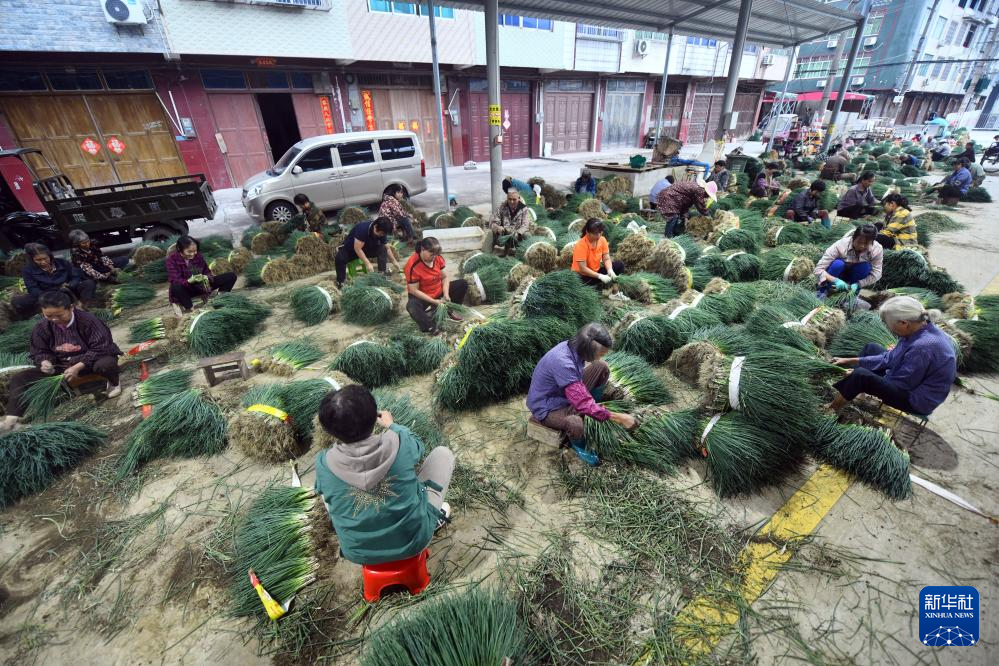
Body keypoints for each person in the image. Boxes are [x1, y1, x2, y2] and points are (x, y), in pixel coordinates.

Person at [314, 384, 454, 565]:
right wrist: (393, 426)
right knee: (443, 454)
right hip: (413, 541)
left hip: (358, 553)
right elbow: (419, 447)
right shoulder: (399, 440)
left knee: (325, 489)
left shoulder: (324, 462)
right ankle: (431, 521)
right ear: (374, 417)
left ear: (329, 431)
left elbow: (325, 492)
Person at [1, 290, 122, 433]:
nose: (54, 319)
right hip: (62, 366)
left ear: (71, 308)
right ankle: (12, 419)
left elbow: (102, 347)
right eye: (49, 316)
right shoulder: (42, 327)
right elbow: (38, 351)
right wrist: (45, 361)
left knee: (106, 365)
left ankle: (114, 384)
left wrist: (78, 366)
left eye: (59, 315)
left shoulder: (88, 321)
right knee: (20, 378)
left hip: (91, 362)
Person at [527, 322, 637, 466]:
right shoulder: (562, 362)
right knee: (575, 423)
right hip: (547, 406)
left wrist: (591, 406)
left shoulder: (573, 347)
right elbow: (581, 402)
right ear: (588, 350)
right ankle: (579, 446)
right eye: (601, 353)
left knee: (601, 367)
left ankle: (593, 408)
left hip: (563, 393)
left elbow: (578, 393)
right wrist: (619, 418)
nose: (602, 356)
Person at [827, 296, 956, 415]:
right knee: (871, 348)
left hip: (915, 398)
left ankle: (831, 410)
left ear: (904, 323)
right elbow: (889, 358)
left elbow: (902, 383)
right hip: (909, 379)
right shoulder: (919, 328)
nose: (888, 328)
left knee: (860, 376)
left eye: (887, 323)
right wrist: (849, 360)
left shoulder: (922, 347)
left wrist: (861, 376)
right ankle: (854, 391)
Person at [12, 243, 96, 317]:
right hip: (48, 295)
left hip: (69, 291)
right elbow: (32, 289)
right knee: (20, 302)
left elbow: (76, 276)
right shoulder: (28, 270)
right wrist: (52, 293)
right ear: (32, 260)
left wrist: (71, 284)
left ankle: (83, 305)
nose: (43, 262)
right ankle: (47, 310)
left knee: (89, 283)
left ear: (50, 256)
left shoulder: (62, 262)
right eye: (38, 260)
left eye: (45, 258)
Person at [404, 237, 467, 334]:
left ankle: (448, 311)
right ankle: (431, 327)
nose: (434, 257)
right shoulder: (412, 265)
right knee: (412, 306)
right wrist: (434, 301)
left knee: (462, 284)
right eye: (431, 254)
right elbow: (414, 290)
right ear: (422, 249)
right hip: (423, 296)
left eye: (436, 255)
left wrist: (446, 294)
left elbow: (445, 277)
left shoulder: (438, 258)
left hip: (438, 291)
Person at [165, 235, 237, 314]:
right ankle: (191, 309)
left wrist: (206, 277)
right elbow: (175, 279)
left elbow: (207, 271)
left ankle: (220, 299)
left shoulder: (198, 256)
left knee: (231, 276)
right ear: (179, 249)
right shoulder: (172, 260)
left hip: (202, 286)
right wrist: (189, 281)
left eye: (195, 251)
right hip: (186, 290)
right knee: (176, 286)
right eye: (189, 251)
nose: (193, 254)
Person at [815, 223, 883, 297]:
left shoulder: (877, 249)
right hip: (837, 275)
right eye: (859, 242)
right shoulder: (841, 245)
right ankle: (824, 292)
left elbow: (877, 274)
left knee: (864, 267)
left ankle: (851, 295)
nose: (862, 246)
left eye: (866, 243)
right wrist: (835, 280)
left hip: (855, 278)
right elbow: (818, 269)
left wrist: (858, 284)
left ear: (872, 242)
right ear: (853, 237)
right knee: (838, 264)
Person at [334, 216, 401, 288]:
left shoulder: (382, 231)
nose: (382, 235)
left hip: (367, 248)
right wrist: (368, 264)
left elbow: (386, 247)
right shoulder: (363, 229)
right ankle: (340, 283)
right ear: (375, 227)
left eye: (383, 234)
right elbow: (357, 249)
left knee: (382, 248)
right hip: (351, 250)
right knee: (339, 258)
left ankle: (381, 275)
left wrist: (394, 261)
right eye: (381, 233)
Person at [572, 219, 624, 288]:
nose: (599, 235)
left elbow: (606, 259)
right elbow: (583, 269)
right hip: (582, 276)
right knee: (588, 285)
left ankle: (615, 292)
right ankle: (593, 287)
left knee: (620, 265)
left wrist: (609, 270)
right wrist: (599, 276)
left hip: (595, 271)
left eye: (600, 232)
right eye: (596, 233)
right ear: (587, 232)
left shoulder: (602, 240)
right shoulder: (581, 245)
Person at [487, 188, 534, 255]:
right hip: (504, 234)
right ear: (507, 198)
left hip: (517, 235)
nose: (511, 201)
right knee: (490, 233)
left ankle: (526, 254)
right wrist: (497, 228)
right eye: (509, 199)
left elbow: (525, 225)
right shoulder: (502, 207)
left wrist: (518, 233)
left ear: (518, 198)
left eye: (514, 199)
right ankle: (486, 254)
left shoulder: (524, 209)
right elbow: (493, 222)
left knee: (527, 235)